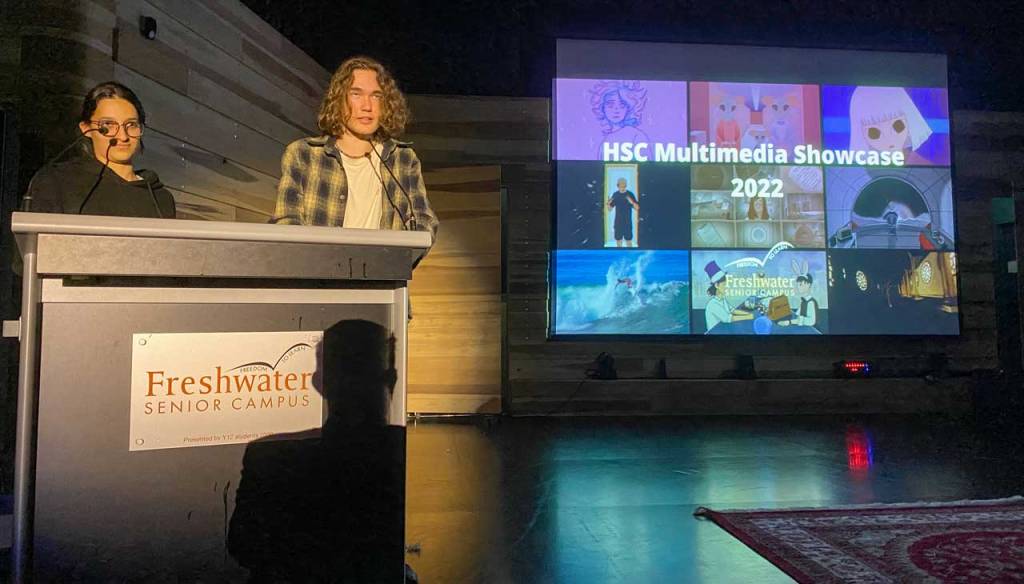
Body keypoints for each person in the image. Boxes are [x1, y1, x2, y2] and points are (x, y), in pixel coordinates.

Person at [272, 56, 439, 246]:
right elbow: (287, 222)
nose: (367, 106)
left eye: (376, 96)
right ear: (338, 100)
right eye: (356, 94)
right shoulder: (304, 154)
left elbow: (424, 222)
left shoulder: (402, 159)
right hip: (319, 264)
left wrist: (399, 257)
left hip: (383, 265)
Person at [24, 81, 175, 218]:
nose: (123, 136)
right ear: (86, 128)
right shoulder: (57, 183)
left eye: (131, 125)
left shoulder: (160, 198)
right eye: (108, 125)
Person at [607, 177, 639, 247]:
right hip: (618, 222)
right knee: (618, 241)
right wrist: (608, 204)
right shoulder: (615, 195)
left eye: (624, 185)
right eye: (621, 186)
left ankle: (630, 254)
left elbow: (637, 208)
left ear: (626, 185)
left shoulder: (630, 194)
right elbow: (610, 209)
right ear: (618, 185)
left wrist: (632, 202)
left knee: (629, 241)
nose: (623, 187)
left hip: (627, 222)